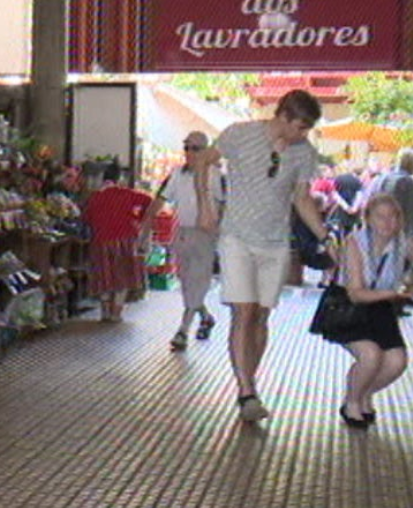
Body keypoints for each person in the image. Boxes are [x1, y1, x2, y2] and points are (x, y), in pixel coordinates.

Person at [194, 89, 329, 423]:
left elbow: (301, 198)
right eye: (300, 127)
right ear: (283, 117)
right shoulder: (240, 134)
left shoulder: (303, 153)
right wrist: (206, 206)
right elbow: (204, 161)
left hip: (275, 241)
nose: (303, 134)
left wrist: (327, 236)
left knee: (261, 316)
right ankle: (246, 391)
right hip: (237, 236)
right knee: (244, 311)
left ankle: (248, 383)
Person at [325, 193, 410, 429]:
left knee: (397, 361)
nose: (388, 223)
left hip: (380, 308)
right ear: (368, 218)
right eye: (381, 217)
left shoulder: (402, 243)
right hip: (348, 307)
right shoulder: (354, 242)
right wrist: (398, 294)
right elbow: (355, 293)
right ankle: (351, 402)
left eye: (393, 217)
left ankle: (364, 392)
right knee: (370, 356)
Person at [142, 131, 224, 351]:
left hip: (205, 235)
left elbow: (226, 206)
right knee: (187, 283)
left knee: (198, 282)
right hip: (183, 232)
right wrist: (144, 232)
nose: (189, 152)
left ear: (205, 151)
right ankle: (205, 316)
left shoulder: (216, 176)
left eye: (195, 148)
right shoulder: (177, 174)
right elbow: (158, 202)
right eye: (186, 147)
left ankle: (182, 330)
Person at [83, 161, 153, 323]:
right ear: (119, 178)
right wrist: (138, 219)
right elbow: (149, 201)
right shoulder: (126, 193)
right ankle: (116, 313)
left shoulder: (94, 197)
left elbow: (86, 218)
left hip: (100, 242)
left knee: (104, 278)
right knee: (123, 278)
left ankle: (105, 313)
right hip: (125, 240)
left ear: (102, 179)